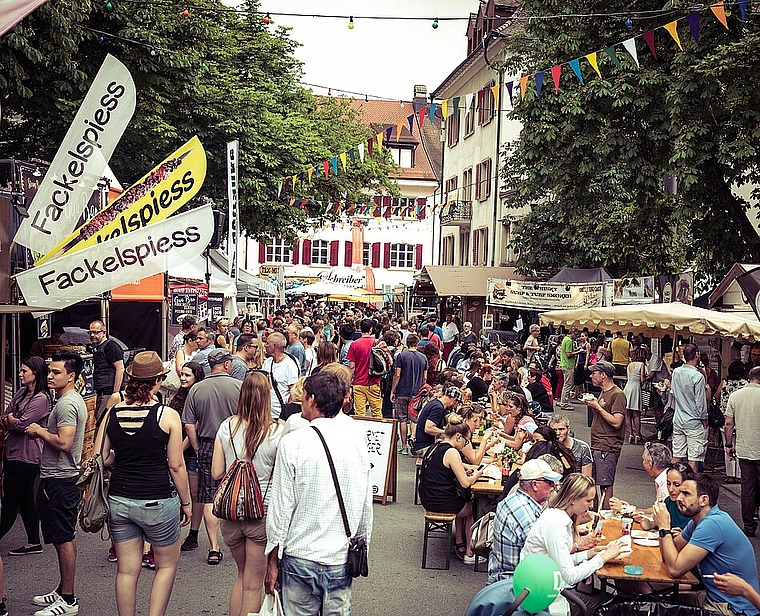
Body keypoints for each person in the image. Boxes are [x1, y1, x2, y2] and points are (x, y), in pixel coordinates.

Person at [264, 371, 373, 614]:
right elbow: (365, 503)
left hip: (300, 555)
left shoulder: (293, 443)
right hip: (339, 557)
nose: (300, 400)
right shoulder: (356, 443)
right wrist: (362, 543)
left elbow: (281, 507)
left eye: (302, 395)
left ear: (312, 399)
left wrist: (272, 560)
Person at [94, 351, 192, 616]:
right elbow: (176, 465)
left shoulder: (113, 412)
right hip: (158, 499)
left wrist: (127, 451)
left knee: (126, 569)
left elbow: (102, 457)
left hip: (119, 499)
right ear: (158, 380)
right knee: (166, 566)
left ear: (131, 379)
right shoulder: (168, 415)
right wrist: (186, 503)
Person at [211, 372, 283, 616]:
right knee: (253, 585)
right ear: (267, 397)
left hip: (230, 514)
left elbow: (216, 472)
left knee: (240, 576)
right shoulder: (277, 432)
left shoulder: (227, 426)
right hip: (260, 515)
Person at [26, 350, 87, 616]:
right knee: (65, 537)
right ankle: (63, 590)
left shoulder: (66, 404)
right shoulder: (67, 399)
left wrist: (39, 431)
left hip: (60, 480)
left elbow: (64, 442)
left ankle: (69, 600)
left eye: (56, 372)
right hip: (60, 478)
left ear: (71, 376)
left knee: (63, 539)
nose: (49, 376)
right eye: (49, 371)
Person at [653, 473, 760, 616]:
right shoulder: (697, 521)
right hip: (714, 600)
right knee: (649, 597)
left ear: (703, 500)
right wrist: (663, 529)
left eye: (685, 494)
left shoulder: (712, 524)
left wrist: (664, 527)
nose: (679, 498)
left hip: (732, 609)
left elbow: (675, 569)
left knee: (654, 601)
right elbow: (669, 554)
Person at [521, 473, 626, 616]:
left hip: (543, 585)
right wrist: (603, 557)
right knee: (618, 607)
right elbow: (570, 575)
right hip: (546, 597)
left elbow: (560, 561)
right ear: (573, 499)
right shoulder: (555, 525)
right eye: (588, 500)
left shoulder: (556, 516)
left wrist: (589, 554)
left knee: (614, 601)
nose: (592, 505)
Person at [182, 348, 242, 565]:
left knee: (208, 496)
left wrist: (197, 446)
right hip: (235, 444)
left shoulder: (197, 389)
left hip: (207, 444)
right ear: (226, 365)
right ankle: (238, 539)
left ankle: (214, 547)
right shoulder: (239, 386)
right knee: (238, 488)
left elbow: (189, 424)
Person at [0, 356, 51, 555]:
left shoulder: (41, 398)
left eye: (24, 371)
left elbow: (21, 425)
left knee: (11, 501)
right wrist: (12, 419)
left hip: (27, 456)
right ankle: (33, 542)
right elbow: (5, 415)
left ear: (35, 373)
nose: (20, 374)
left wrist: (12, 420)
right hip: (13, 452)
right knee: (26, 498)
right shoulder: (21, 392)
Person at [419, 413, 484, 565]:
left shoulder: (436, 446)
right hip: (441, 501)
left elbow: (449, 467)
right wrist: (477, 474)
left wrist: (469, 468)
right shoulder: (452, 452)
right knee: (473, 509)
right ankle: (469, 553)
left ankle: (460, 541)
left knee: (466, 502)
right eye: (466, 441)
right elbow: (466, 483)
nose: (465, 444)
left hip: (428, 498)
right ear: (458, 437)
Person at [488, 459, 563, 584]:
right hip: (519, 586)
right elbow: (550, 556)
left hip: (502, 577)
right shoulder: (526, 515)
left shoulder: (514, 499)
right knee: (589, 599)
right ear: (534, 485)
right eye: (550, 482)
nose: (554, 486)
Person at [168, 361, 205, 553]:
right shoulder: (179, 395)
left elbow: (194, 427)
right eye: (182, 374)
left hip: (190, 450)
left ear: (197, 377)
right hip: (173, 449)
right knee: (174, 492)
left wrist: (177, 450)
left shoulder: (199, 396)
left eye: (187, 375)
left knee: (195, 494)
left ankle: (194, 533)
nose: (182, 378)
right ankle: (171, 532)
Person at [583, 360, 625, 510]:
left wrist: (597, 407)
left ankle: (605, 518)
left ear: (603, 375)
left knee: (606, 486)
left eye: (594, 373)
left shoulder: (617, 394)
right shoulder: (605, 392)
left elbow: (617, 421)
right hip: (598, 444)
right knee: (596, 483)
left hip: (607, 446)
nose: (591, 375)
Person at [724, 365, 760, 537]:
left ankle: (749, 525)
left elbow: (729, 424)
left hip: (745, 448)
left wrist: (729, 444)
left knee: (747, 487)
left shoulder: (736, 396)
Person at [671, 343, 708, 473]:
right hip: (694, 421)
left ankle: (672, 482)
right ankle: (691, 488)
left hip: (679, 418)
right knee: (693, 457)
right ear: (697, 355)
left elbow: (673, 392)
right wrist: (704, 419)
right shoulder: (698, 376)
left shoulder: (676, 372)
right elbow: (700, 402)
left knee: (677, 455)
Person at [390, 333, 427, 455]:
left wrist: (392, 390)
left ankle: (404, 446)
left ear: (407, 343)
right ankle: (413, 438)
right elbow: (424, 378)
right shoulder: (423, 358)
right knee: (414, 419)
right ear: (417, 343)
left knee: (402, 419)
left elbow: (397, 375)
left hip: (402, 391)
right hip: (416, 392)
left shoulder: (402, 356)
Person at [637, 463, 693, 532]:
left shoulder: (693, 508)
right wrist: (643, 518)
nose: (670, 489)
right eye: (668, 483)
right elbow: (652, 524)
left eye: (677, 485)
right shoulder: (668, 501)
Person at [717, 359, 747, 484]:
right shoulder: (746, 384)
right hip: (741, 420)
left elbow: (716, 395)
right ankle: (739, 474)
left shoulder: (724, 383)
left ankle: (730, 474)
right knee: (739, 448)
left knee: (727, 446)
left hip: (726, 419)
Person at [89, 319, 125, 420]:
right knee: (100, 417)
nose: (92, 335)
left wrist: (115, 393)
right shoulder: (97, 347)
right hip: (102, 391)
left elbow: (120, 368)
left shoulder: (111, 346)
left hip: (109, 392)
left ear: (104, 332)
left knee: (103, 420)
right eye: (90, 332)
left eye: (96, 332)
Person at [347, 318, 382, 418]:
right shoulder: (376, 343)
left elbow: (352, 366)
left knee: (360, 414)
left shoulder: (354, 344)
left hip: (358, 383)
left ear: (360, 328)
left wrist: (350, 383)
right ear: (371, 330)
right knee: (377, 413)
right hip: (374, 382)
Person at [413, 387, 463, 456]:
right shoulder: (438, 408)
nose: (455, 406)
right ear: (454, 400)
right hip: (425, 447)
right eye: (457, 403)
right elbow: (428, 428)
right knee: (453, 454)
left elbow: (448, 416)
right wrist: (446, 432)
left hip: (423, 444)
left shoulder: (437, 403)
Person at [261, 332, 299, 421]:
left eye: (267, 343)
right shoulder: (267, 362)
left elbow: (293, 392)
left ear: (274, 346)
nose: (265, 345)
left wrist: (285, 414)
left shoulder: (289, 365)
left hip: (280, 415)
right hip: (266, 414)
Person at [624, 346, 648, 444]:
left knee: (628, 414)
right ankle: (637, 435)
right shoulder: (641, 364)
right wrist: (646, 377)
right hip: (636, 388)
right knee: (636, 414)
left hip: (627, 388)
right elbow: (642, 379)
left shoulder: (629, 365)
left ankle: (630, 434)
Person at [559, 328, 579, 410]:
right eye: (576, 334)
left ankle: (563, 400)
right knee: (568, 385)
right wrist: (579, 352)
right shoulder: (569, 341)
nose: (576, 336)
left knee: (566, 384)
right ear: (572, 333)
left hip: (564, 364)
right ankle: (564, 403)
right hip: (568, 365)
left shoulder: (565, 339)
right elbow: (569, 354)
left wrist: (576, 350)